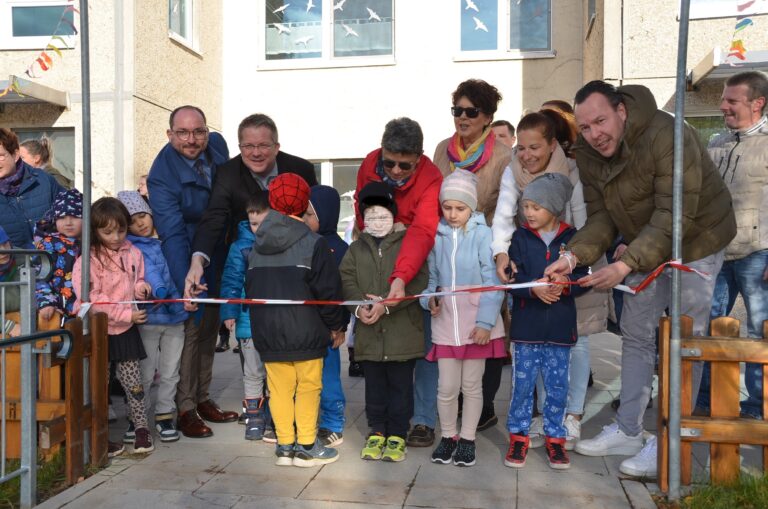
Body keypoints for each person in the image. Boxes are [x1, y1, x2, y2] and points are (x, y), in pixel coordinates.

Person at [544, 80, 736, 478]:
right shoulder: (588, 152)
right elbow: (600, 217)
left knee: (685, 337)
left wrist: (626, 263)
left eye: (601, 121)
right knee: (635, 331)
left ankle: (672, 440)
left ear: (622, 111)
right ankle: (629, 429)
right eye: (586, 127)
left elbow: (675, 215)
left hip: (698, 237)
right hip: (643, 242)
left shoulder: (669, 134)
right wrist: (573, 255)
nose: (595, 134)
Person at [491, 110, 608, 450]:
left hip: (570, 257)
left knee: (576, 339)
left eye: (534, 148)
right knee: (536, 346)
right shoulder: (513, 171)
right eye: (521, 148)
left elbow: (585, 226)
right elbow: (503, 215)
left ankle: (572, 414)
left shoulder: (571, 171)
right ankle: (545, 415)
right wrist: (502, 253)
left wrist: (571, 262)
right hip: (532, 259)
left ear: (552, 144)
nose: (526, 155)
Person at [147, 105, 237, 439]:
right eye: (182, 133)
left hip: (220, 249)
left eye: (198, 131)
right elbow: (169, 230)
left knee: (211, 328)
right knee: (191, 331)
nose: (191, 139)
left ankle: (202, 397)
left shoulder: (220, 147)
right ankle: (184, 408)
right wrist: (187, 279)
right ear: (170, 134)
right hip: (184, 253)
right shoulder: (161, 175)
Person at [246, 173, 347, 468]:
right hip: (307, 331)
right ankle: (305, 445)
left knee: (277, 389)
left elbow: (250, 289)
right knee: (307, 388)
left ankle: (284, 445)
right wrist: (336, 326)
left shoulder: (256, 245)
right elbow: (328, 293)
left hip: (268, 332)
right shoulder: (314, 243)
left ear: (273, 202)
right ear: (304, 203)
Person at [353, 118, 442, 447]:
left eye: (406, 165)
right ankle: (384, 417)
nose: (396, 170)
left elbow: (423, 231)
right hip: (376, 249)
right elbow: (364, 211)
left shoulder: (432, 178)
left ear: (419, 157)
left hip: (417, 258)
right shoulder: (368, 163)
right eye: (389, 162)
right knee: (383, 340)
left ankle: (423, 420)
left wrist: (402, 277)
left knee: (421, 342)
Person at [432, 79, 512, 439]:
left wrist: (496, 248)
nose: (462, 118)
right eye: (457, 111)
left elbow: (509, 208)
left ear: (488, 117)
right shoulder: (441, 151)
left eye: (471, 112)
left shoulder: (503, 154)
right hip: (448, 247)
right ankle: (454, 410)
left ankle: (482, 407)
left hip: (488, 244)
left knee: (487, 329)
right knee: (450, 331)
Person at [504, 173, 589, 470]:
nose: (528, 213)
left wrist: (566, 283)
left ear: (553, 208)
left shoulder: (574, 238)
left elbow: (584, 277)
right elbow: (513, 278)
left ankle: (556, 439)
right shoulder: (520, 237)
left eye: (536, 207)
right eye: (526, 206)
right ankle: (518, 436)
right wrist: (534, 289)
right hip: (526, 329)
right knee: (523, 386)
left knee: (557, 387)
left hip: (560, 330)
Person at [696, 70, 768, 419]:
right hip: (716, 254)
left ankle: (756, 408)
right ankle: (707, 401)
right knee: (711, 328)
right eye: (723, 99)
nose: (722, 106)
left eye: (731, 100)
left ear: (758, 104)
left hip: (759, 254)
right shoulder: (715, 143)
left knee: (759, 332)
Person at [421, 170, 505, 467]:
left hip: (475, 326)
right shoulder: (436, 236)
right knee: (446, 388)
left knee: (472, 386)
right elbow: (430, 282)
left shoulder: (484, 234)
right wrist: (428, 300)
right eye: (447, 207)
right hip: (445, 324)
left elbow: (493, 283)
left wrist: (485, 323)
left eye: (460, 208)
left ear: (472, 207)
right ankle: (448, 436)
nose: (453, 214)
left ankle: (467, 439)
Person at [341, 182, 428, 462]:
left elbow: (418, 280)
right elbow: (346, 279)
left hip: (402, 336)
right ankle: (377, 430)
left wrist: (386, 307)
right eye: (371, 214)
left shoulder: (408, 245)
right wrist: (360, 307)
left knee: (401, 388)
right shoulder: (355, 248)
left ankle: (398, 434)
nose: (377, 220)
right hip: (369, 334)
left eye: (382, 214)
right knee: (374, 386)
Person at [187, 113, 317, 295]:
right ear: (240, 147)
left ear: (276, 147)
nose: (256, 153)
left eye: (263, 145)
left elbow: (315, 216)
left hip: (297, 265)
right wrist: (197, 261)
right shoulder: (227, 174)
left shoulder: (302, 169)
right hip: (250, 267)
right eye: (248, 146)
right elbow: (214, 218)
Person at [73, 197, 155, 454]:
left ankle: (141, 428)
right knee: (100, 382)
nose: (116, 236)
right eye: (107, 231)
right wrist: (124, 314)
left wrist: (141, 288)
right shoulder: (87, 259)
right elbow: (90, 300)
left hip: (126, 329)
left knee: (134, 381)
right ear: (94, 231)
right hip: (99, 329)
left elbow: (138, 278)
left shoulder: (134, 252)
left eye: (121, 229)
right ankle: (99, 432)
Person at [117, 190, 188, 443]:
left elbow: (179, 272)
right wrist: (158, 291)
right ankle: (138, 418)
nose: (141, 223)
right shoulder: (131, 248)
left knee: (171, 371)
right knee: (145, 374)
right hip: (148, 318)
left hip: (175, 317)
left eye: (142, 215)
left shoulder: (166, 242)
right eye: (132, 221)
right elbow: (154, 275)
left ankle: (164, 415)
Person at [220, 193, 273, 442]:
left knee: (274, 373)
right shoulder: (240, 247)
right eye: (253, 223)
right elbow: (231, 280)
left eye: (263, 222)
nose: (258, 228)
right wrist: (229, 312)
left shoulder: (280, 244)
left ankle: (275, 417)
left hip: (275, 323)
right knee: (252, 373)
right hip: (247, 321)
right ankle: (254, 418)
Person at [303, 185, 350, 447]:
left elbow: (342, 292)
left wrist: (340, 325)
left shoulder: (340, 249)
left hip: (329, 328)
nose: (305, 219)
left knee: (329, 379)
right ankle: (309, 419)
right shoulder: (304, 244)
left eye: (311, 215)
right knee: (307, 378)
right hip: (305, 328)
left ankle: (333, 423)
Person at [0, 128, 64, 249]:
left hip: (53, 262)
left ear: (15, 155)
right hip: (11, 265)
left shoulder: (44, 180)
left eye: (1, 156)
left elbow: (74, 214)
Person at [35, 189, 83, 324]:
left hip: (87, 309)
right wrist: (46, 302)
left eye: (75, 216)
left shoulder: (92, 243)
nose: (68, 222)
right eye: (61, 217)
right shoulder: (48, 244)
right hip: (57, 311)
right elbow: (38, 277)